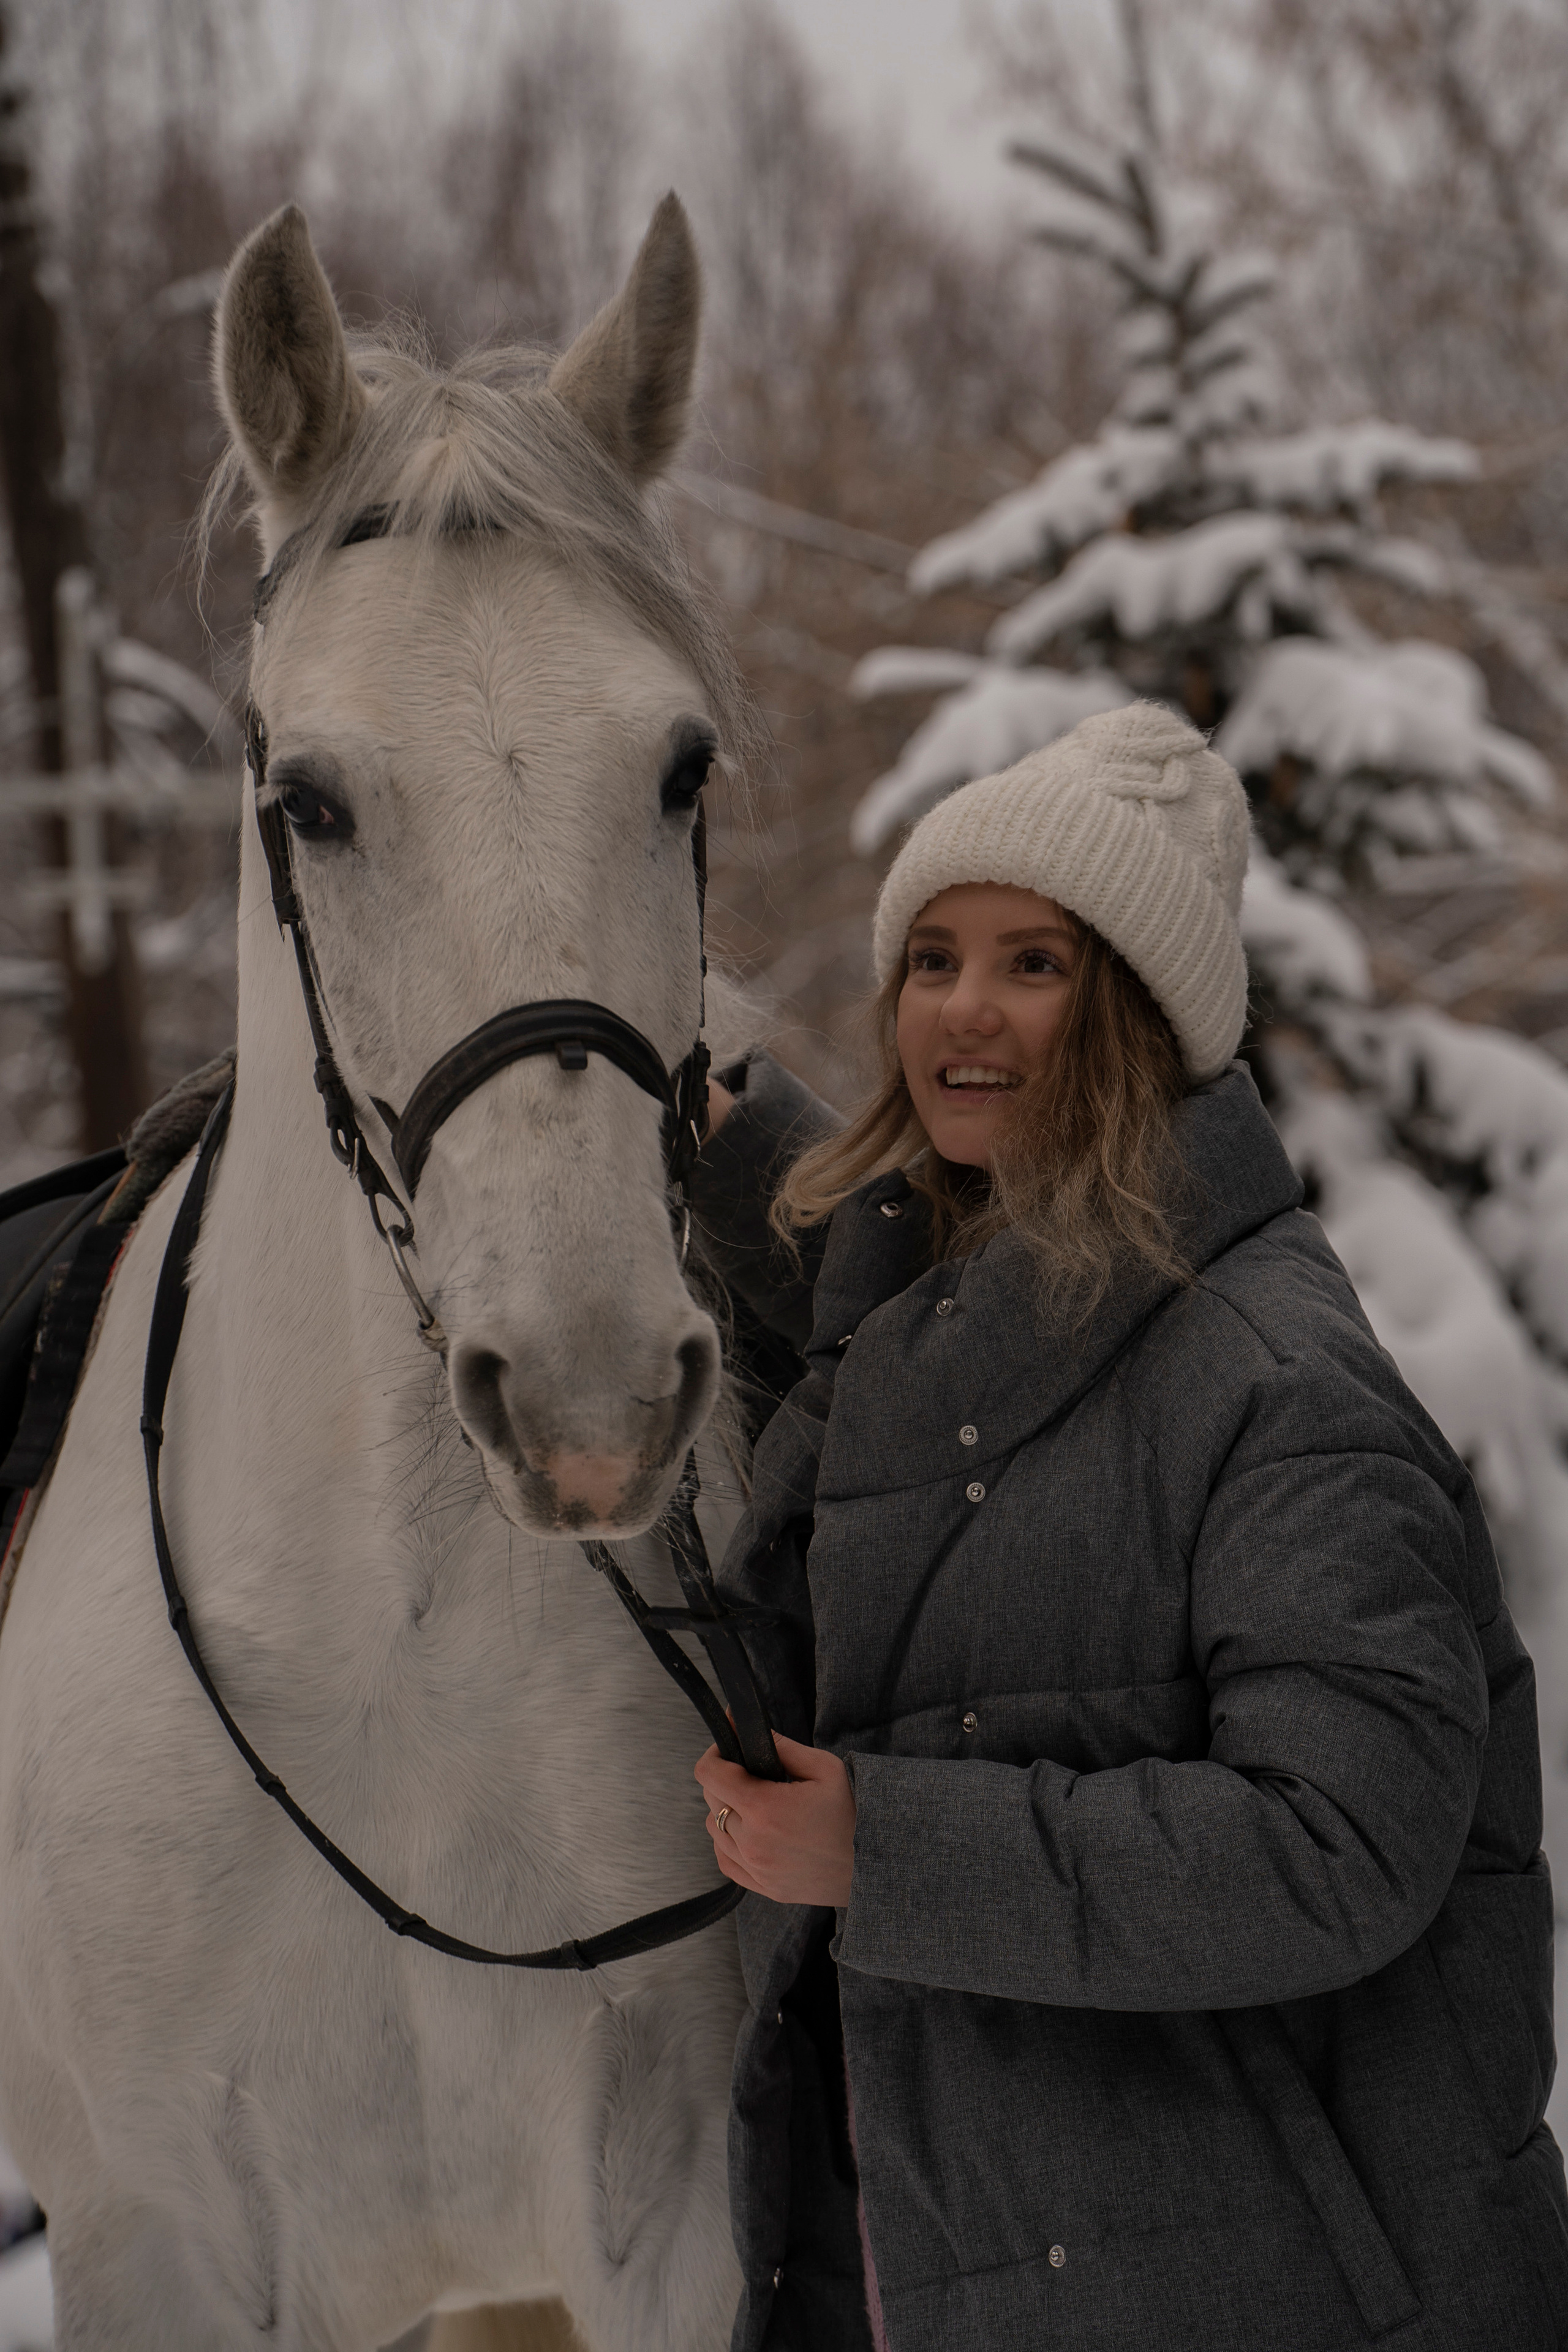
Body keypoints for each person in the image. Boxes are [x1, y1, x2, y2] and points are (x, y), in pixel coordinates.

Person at [689, 702, 1568, 2352]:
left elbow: (1338, 1845)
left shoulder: (1279, 1388)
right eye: (933, 955)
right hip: (1019, 2257)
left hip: (1297, 2290)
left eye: (1038, 964)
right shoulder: (1009, 1288)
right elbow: (967, 1385)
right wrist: (742, 1163)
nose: (962, 1005)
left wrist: (885, 1850)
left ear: (1144, 1017)